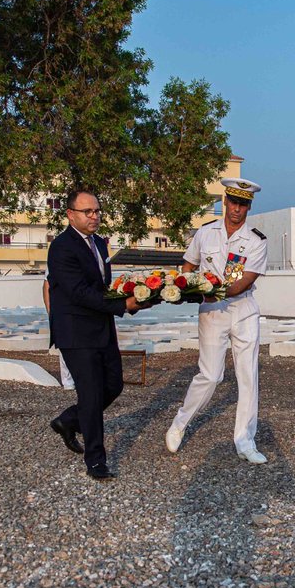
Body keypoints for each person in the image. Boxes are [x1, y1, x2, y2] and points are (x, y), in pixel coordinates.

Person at [47, 189, 150, 479]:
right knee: (91, 396)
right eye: (87, 212)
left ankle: (69, 419)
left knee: (114, 385)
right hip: (76, 332)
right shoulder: (61, 247)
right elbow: (78, 292)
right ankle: (96, 461)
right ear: (70, 214)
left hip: (102, 328)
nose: (95, 216)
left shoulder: (100, 245)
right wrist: (122, 305)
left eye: (97, 211)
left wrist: (131, 298)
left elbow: (101, 287)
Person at [166, 178, 270, 464]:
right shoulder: (205, 233)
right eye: (234, 202)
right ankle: (179, 424)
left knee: (248, 376)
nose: (237, 209)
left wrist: (212, 290)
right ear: (225, 201)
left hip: (243, 309)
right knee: (211, 375)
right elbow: (189, 264)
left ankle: (245, 440)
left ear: (249, 207)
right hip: (212, 312)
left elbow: (245, 280)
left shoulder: (256, 240)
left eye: (244, 204)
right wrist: (187, 286)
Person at [43, 278, 79, 400]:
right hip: (64, 311)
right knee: (66, 344)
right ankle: (68, 381)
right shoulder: (57, 262)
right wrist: (50, 312)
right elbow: (47, 284)